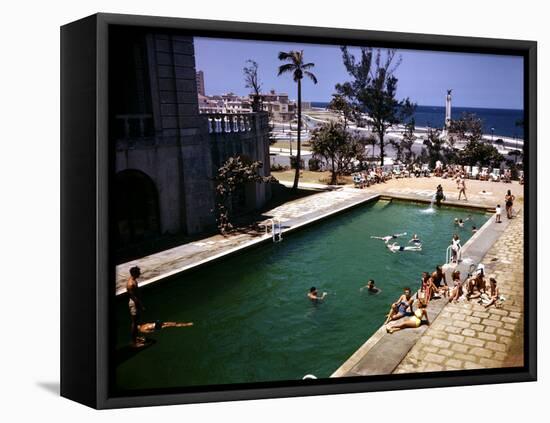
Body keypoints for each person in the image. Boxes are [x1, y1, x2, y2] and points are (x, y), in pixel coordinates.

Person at [127, 266, 145, 348]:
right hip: (134, 304)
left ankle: (136, 338)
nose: (140, 273)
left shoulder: (134, 280)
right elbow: (134, 298)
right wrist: (141, 306)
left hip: (136, 303)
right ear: (134, 273)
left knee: (136, 322)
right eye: (138, 272)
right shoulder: (131, 284)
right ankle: (134, 343)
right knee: (134, 323)